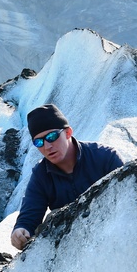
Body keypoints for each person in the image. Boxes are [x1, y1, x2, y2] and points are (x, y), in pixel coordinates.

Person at [10, 104, 124, 250]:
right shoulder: (41, 175)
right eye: (38, 142)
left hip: (116, 234)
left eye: (52, 137)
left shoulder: (105, 158)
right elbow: (29, 217)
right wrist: (20, 232)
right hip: (74, 249)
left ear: (68, 132)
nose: (47, 146)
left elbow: (128, 199)